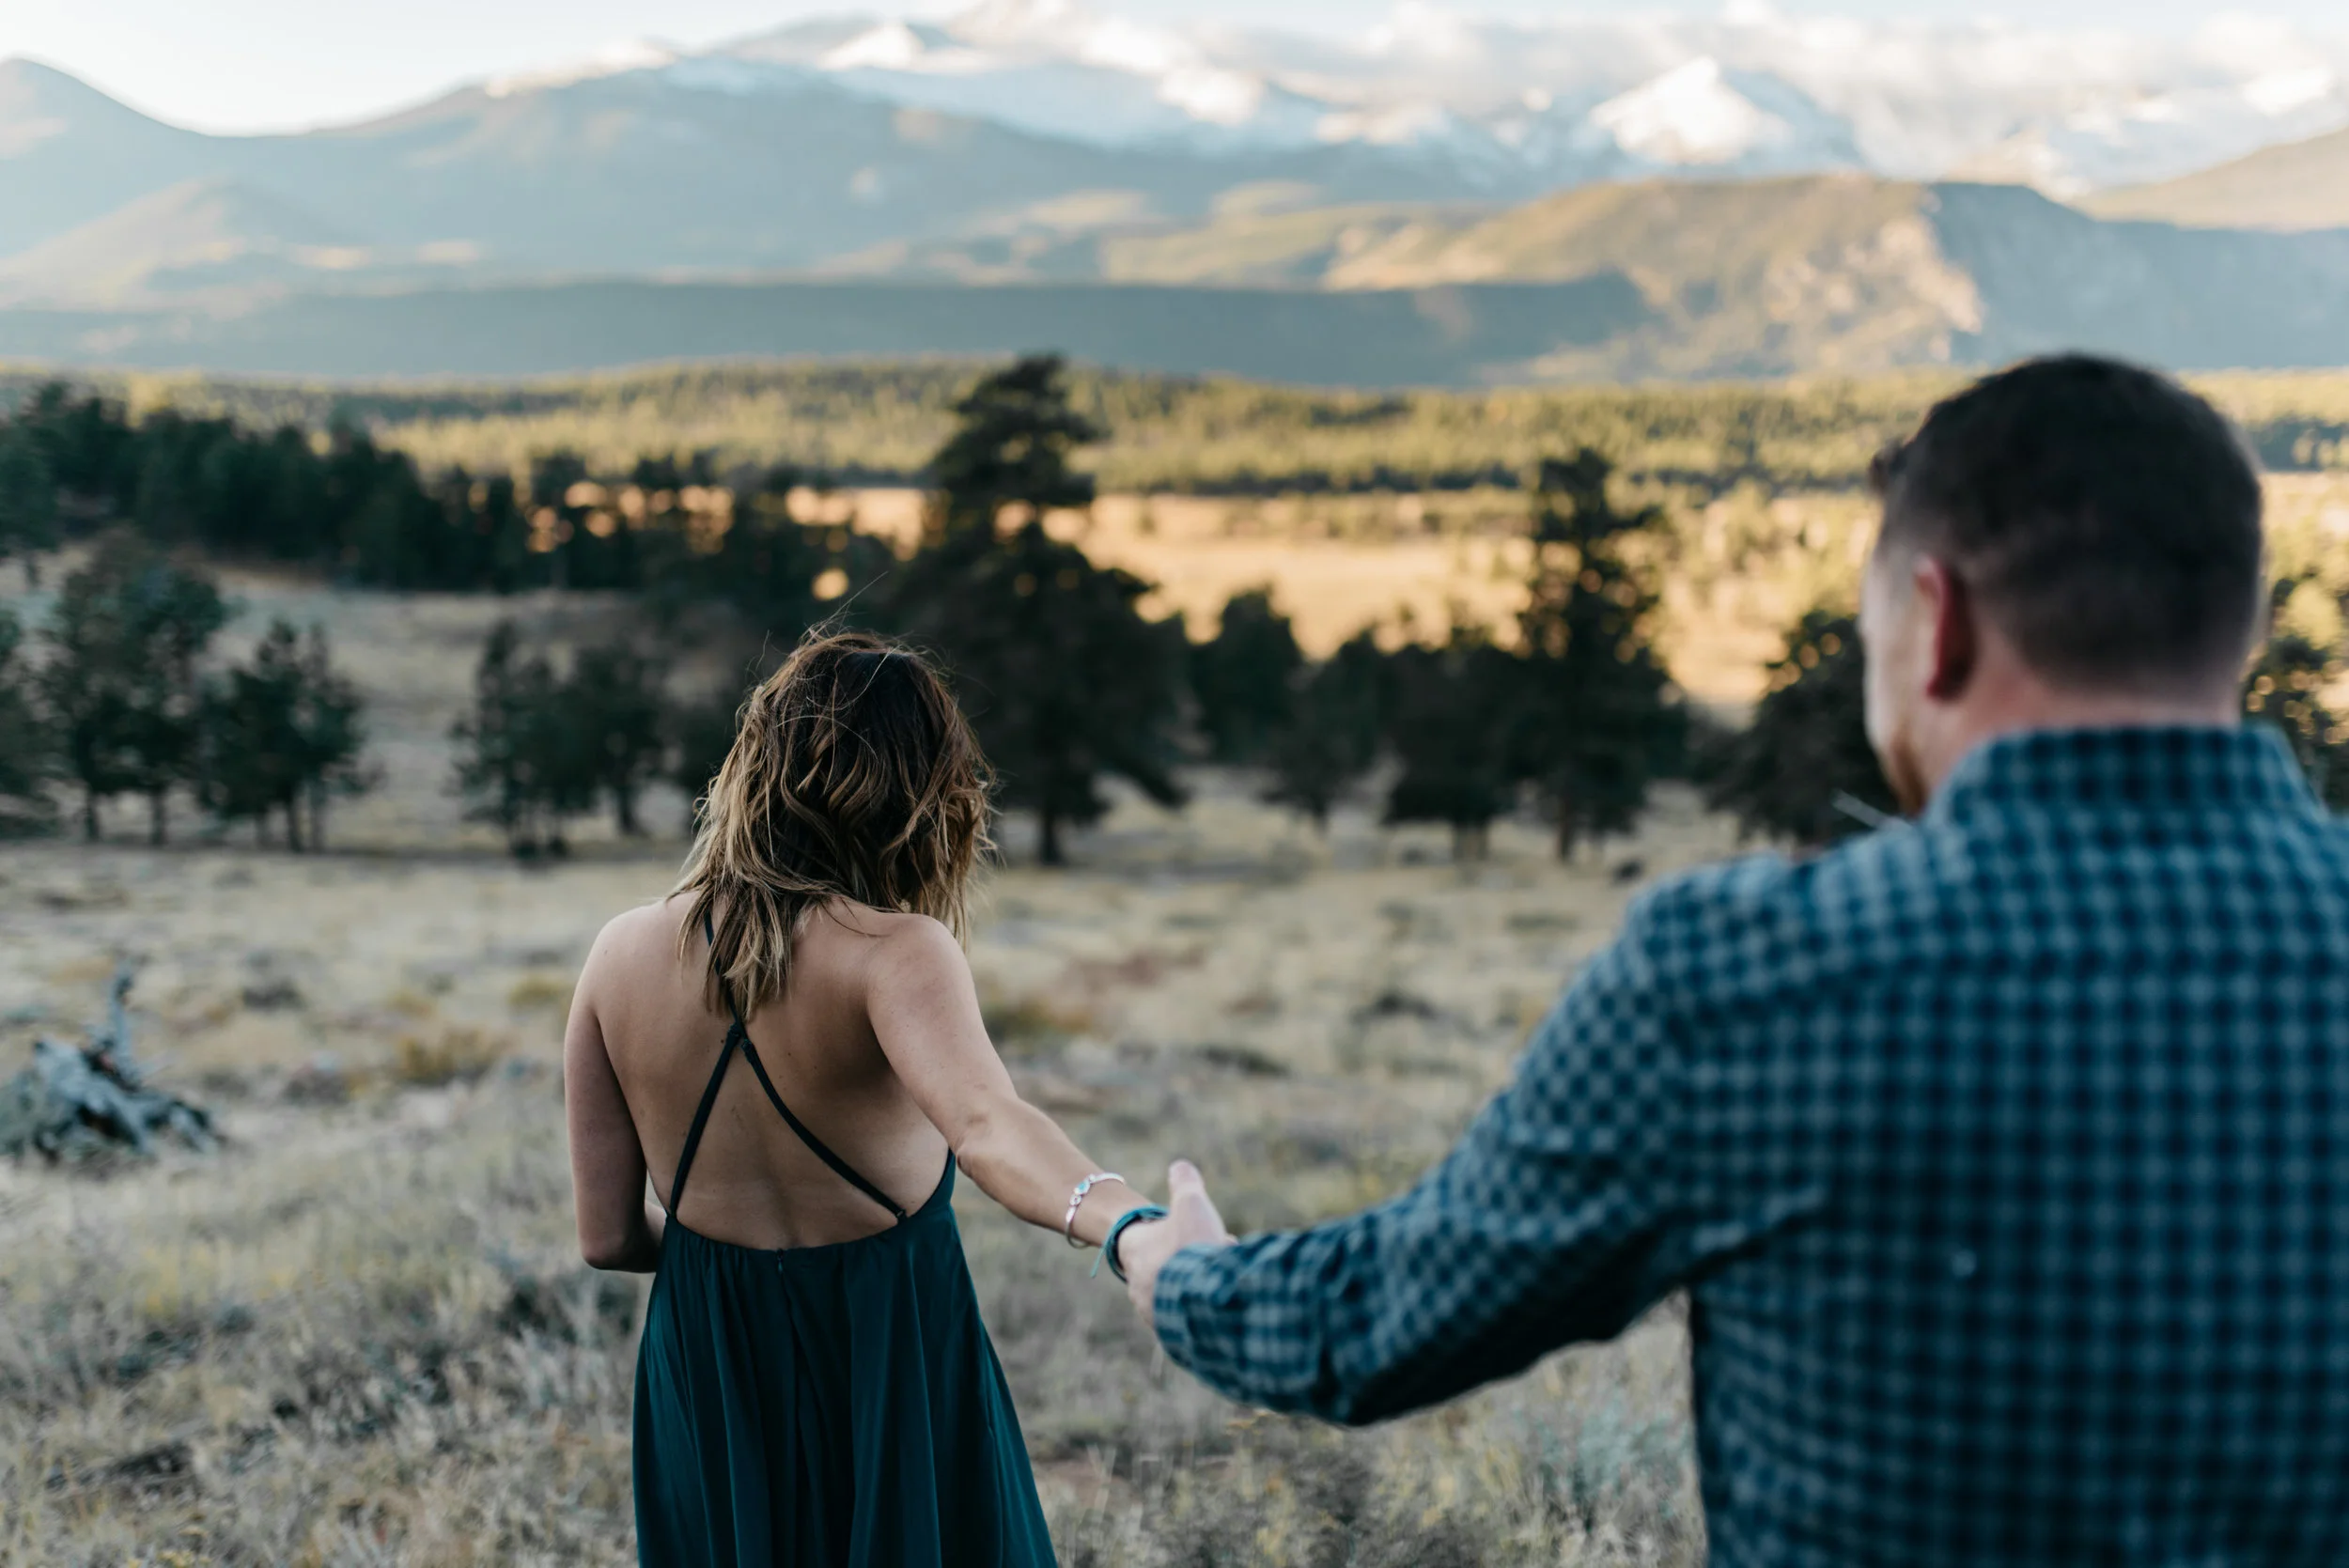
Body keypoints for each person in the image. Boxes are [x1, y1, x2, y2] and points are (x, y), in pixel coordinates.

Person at [1119, 355, 2349, 1565]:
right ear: (2244, 624)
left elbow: (1380, 1321)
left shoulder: (1749, 977)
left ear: (1938, 623)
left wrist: (1189, 1277)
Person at [565, 631, 1158, 1568]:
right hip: (890, 1361)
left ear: (754, 762)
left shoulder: (618, 954)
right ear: (918, 795)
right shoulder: (895, 952)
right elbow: (988, 1124)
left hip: (711, 1367)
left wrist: (724, 1260)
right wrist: (1130, 1224)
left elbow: (605, 1237)